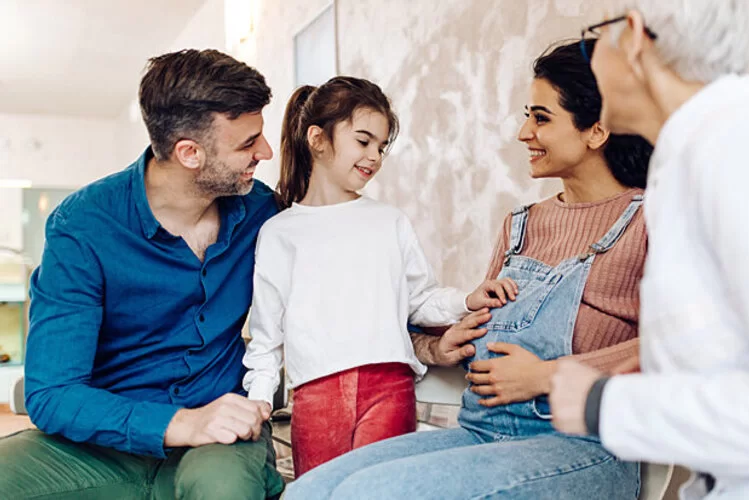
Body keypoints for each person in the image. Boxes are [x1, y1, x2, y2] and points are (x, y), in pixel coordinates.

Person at [284, 39, 653, 499]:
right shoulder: (521, 225)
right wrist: (441, 346)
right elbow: (475, 330)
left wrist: (547, 376)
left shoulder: (649, 220)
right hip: (482, 433)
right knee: (309, 491)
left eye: (541, 118)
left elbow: (684, 348)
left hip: (580, 445)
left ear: (596, 131)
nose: (523, 133)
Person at [0, 49, 285, 499]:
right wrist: (180, 423)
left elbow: (335, 282)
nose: (265, 153)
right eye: (248, 143)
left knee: (222, 490)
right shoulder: (83, 227)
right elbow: (53, 392)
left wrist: (425, 340)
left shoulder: (264, 214)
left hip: (220, 438)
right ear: (189, 153)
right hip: (103, 443)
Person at [550, 1, 749, 498]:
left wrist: (607, 403)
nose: (592, 58)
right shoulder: (691, 159)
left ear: (635, 36)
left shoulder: (747, 146)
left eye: (595, 36)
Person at [243, 76, 514, 477]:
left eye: (382, 146)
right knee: (322, 491)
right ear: (317, 138)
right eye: (364, 141)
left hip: (391, 389)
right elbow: (266, 338)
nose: (375, 156)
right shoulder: (279, 233)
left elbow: (420, 300)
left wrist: (465, 301)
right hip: (316, 398)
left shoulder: (390, 222)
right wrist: (259, 400)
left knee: (384, 488)